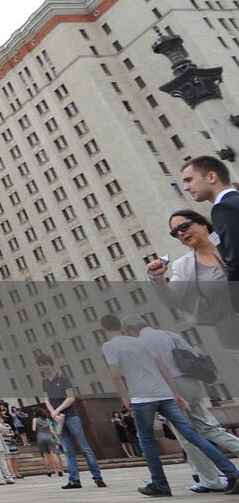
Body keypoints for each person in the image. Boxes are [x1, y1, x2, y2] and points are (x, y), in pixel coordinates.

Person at [100, 313, 239, 496]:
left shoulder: (130, 343)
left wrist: (127, 398)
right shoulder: (168, 334)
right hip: (186, 385)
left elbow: (123, 373)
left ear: (130, 329)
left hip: (158, 391)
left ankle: (200, 481)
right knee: (205, 429)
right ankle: (231, 469)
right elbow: (189, 356)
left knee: (169, 438)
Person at [147, 209, 239, 367]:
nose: (180, 233)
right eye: (175, 233)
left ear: (203, 225)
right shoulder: (184, 265)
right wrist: (157, 278)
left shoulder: (232, 242)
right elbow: (173, 300)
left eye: (184, 227)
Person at [37, 353, 105, 489]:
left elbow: (71, 398)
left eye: (46, 364)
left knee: (85, 448)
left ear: (51, 364)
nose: (45, 367)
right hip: (58, 420)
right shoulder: (45, 382)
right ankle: (74, 480)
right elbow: (46, 399)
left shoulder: (63, 379)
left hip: (71, 417)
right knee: (68, 450)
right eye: (42, 365)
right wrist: (52, 412)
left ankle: (98, 478)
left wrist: (57, 411)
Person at [181, 154, 239, 308]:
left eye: (189, 180)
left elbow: (235, 259)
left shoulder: (223, 209)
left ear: (211, 177)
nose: (186, 188)